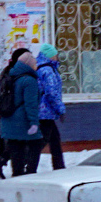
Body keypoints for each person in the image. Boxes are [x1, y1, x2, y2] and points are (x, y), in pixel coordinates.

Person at [0, 50, 45, 177]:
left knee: (16, 148)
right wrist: (34, 123)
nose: (36, 65)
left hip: (8, 118)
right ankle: (30, 174)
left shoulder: (11, 75)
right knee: (36, 144)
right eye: (35, 63)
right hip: (23, 121)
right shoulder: (29, 80)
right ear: (29, 64)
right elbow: (31, 105)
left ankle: (17, 175)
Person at [0, 48, 30, 179]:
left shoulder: (8, 71)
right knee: (17, 142)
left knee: (12, 140)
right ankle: (15, 169)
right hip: (14, 112)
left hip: (6, 111)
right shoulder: (18, 73)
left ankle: (2, 162)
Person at [34, 43, 66, 171]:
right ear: (50, 56)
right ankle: (28, 164)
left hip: (42, 111)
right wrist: (61, 110)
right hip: (45, 112)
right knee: (41, 142)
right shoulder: (48, 71)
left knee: (54, 139)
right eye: (55, 54)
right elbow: (52, 93)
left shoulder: (40, 68)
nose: (57, 56)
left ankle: (59, 166)